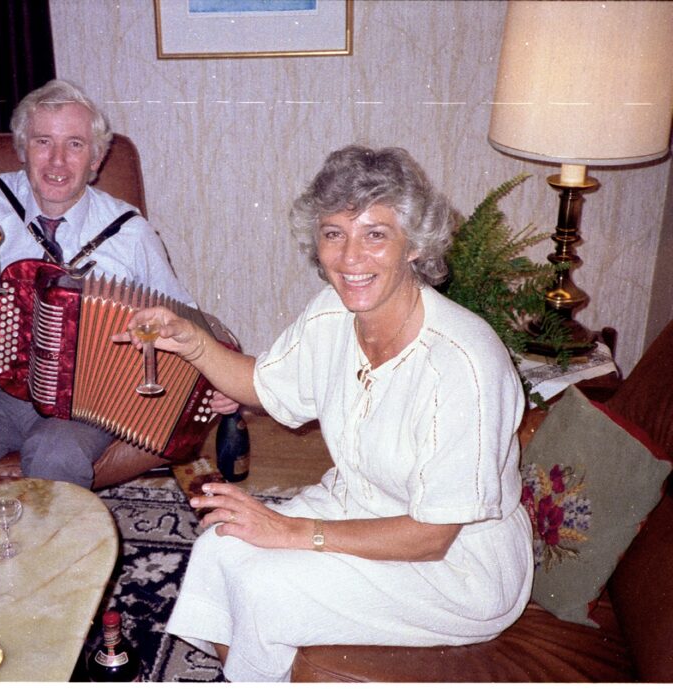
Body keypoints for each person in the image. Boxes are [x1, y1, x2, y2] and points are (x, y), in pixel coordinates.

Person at [117, 145, 533, 682]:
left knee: (265, 589)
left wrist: (292, 531)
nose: (350, 257)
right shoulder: (333, 313)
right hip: (357, 504)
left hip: (456, 565)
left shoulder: (463, 363)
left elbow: (432, 536)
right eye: (334, 233)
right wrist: (190, 340)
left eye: (375, 234)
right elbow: (262, 384)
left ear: (414, 245)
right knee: (220, 548)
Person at [0, 78, 234, 487]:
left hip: (90, 398)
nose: (57, 161)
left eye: (75, 144)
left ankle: (58, 531)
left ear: (96, 159)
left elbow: (184, 318)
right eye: (42, 142)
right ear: (22, 149)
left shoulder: (128, 231)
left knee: (55, 455)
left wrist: (221, 377)